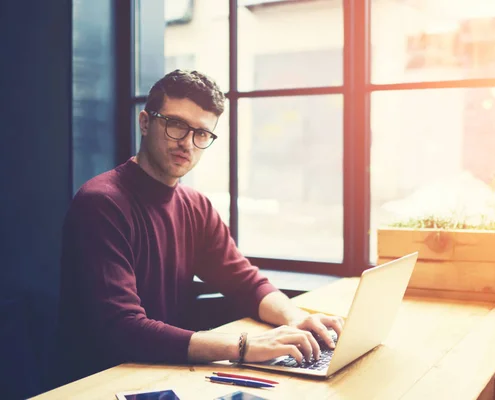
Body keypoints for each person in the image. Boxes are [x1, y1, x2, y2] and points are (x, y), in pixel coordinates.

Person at [56, 69, 344, 384]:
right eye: (176, 125)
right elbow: (123, 329)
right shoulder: (102, 202)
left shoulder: (196, 206)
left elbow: (244, 282)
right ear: (145, 122)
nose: (187, 144)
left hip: (164, 371)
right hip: (102, 380)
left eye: (202, 133)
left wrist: (297, 318)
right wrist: (244, 346)